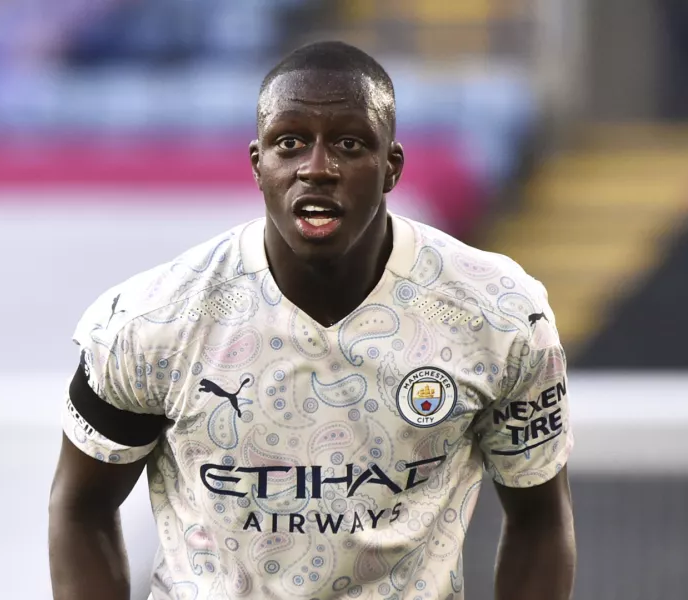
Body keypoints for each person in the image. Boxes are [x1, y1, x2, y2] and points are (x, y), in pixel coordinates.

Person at [49, 40, 576, 600]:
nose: (317, 168)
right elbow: (80, 508)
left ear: (391, 166)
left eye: (349, 144)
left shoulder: (496, 314)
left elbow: (540, 520)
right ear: (259, 165)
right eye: (290, 143)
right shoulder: (154, 320)